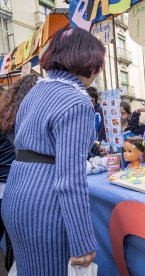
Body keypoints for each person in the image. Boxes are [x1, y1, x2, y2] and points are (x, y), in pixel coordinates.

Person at [1, 27, 106, 275]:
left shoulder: (36, 91)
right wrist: (82, 241)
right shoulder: (77, 100)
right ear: (88, 61)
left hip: (16, 196)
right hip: (44, 206)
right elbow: (70, 179)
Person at [0, 74, 39, 271]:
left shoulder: (5, 118)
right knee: (16, 247)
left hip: (8, 189)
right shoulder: (27, 122)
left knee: (12, 247)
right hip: (17, 189)